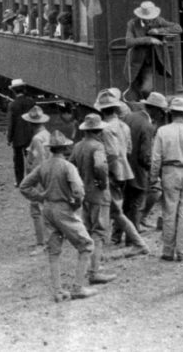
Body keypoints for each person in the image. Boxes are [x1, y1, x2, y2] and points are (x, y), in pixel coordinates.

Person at [19, 130, 97, 302]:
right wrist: (76, 204)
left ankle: (58, 291)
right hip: (63, 208)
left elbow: (24, 186)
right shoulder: (68, 166)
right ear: (65, 147)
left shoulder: (43, 166)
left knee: (54, 251)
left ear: (50, 149)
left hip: (47, 209)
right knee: (86, 245)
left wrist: (40, 197)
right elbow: (78, 190)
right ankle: (78, 287)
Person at [94, 90, 150, 257]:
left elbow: (111, 153)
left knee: (114, 210)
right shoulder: (124, 125)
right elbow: (129, 149)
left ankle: (136, 242)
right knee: (116, 208)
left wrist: (104, 171)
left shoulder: (105, 129)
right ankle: (115, 238)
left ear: (102, 110)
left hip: (112, 172)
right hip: (125, 171)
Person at [70, 113, 116, 285]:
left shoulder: (78, 146)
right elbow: (100, 165)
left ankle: (91, 265)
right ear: (98, 130)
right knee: (99, 231)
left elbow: (71, 166)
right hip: (98, 193)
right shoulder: (97, 146)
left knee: (89, 229)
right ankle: (95, 271)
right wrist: (103, 183)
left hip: (84, 193)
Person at [150, 96, 183, 261]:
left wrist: (153, 177)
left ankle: (168, 251)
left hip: (169, 171)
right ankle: (182, 250)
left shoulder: (163, 131)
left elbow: (156, 158)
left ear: (171, 113)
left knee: (169, 211)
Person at [121, 92, 166, 239]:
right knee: (137, 204)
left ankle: (117, 235)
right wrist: (152, 173)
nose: (161, 115)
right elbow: (145, 155)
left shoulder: (129, 117)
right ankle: (133, 236)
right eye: (161, 111)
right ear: (154, 109)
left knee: (126, 203)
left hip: (125, 168)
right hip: (138, 171)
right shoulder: (147, 125)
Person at [125, 1, 182, 100]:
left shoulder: (158, 21)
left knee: (146, 89)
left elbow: (178, 28)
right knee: (134, 88)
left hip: (149, 62)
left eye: (151, 18)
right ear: (141, 16)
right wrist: (149, 40)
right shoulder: (132, 23)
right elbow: (129, 42)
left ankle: (147, 105)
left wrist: (159, 31)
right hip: (135, 60)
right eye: (147, 19)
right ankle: (144, 107)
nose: (150, 21)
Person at [22, 105, 50, 255]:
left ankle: (41, 243)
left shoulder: (37, 139)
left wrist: (32, 180)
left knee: (36, 209)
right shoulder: (47, 134)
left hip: (39, 178)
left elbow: (39, 162)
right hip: (47, 176)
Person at [6, 79, 35, 187]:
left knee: (18, 160)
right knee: (30, 158)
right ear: (23, 89)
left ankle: (19, 181)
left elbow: (11, 123)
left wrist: (9, 138)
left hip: (17, 137)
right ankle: (31, 181)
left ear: (14, 91)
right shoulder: (31, 102)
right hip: (29, 135)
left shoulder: (12, 105)